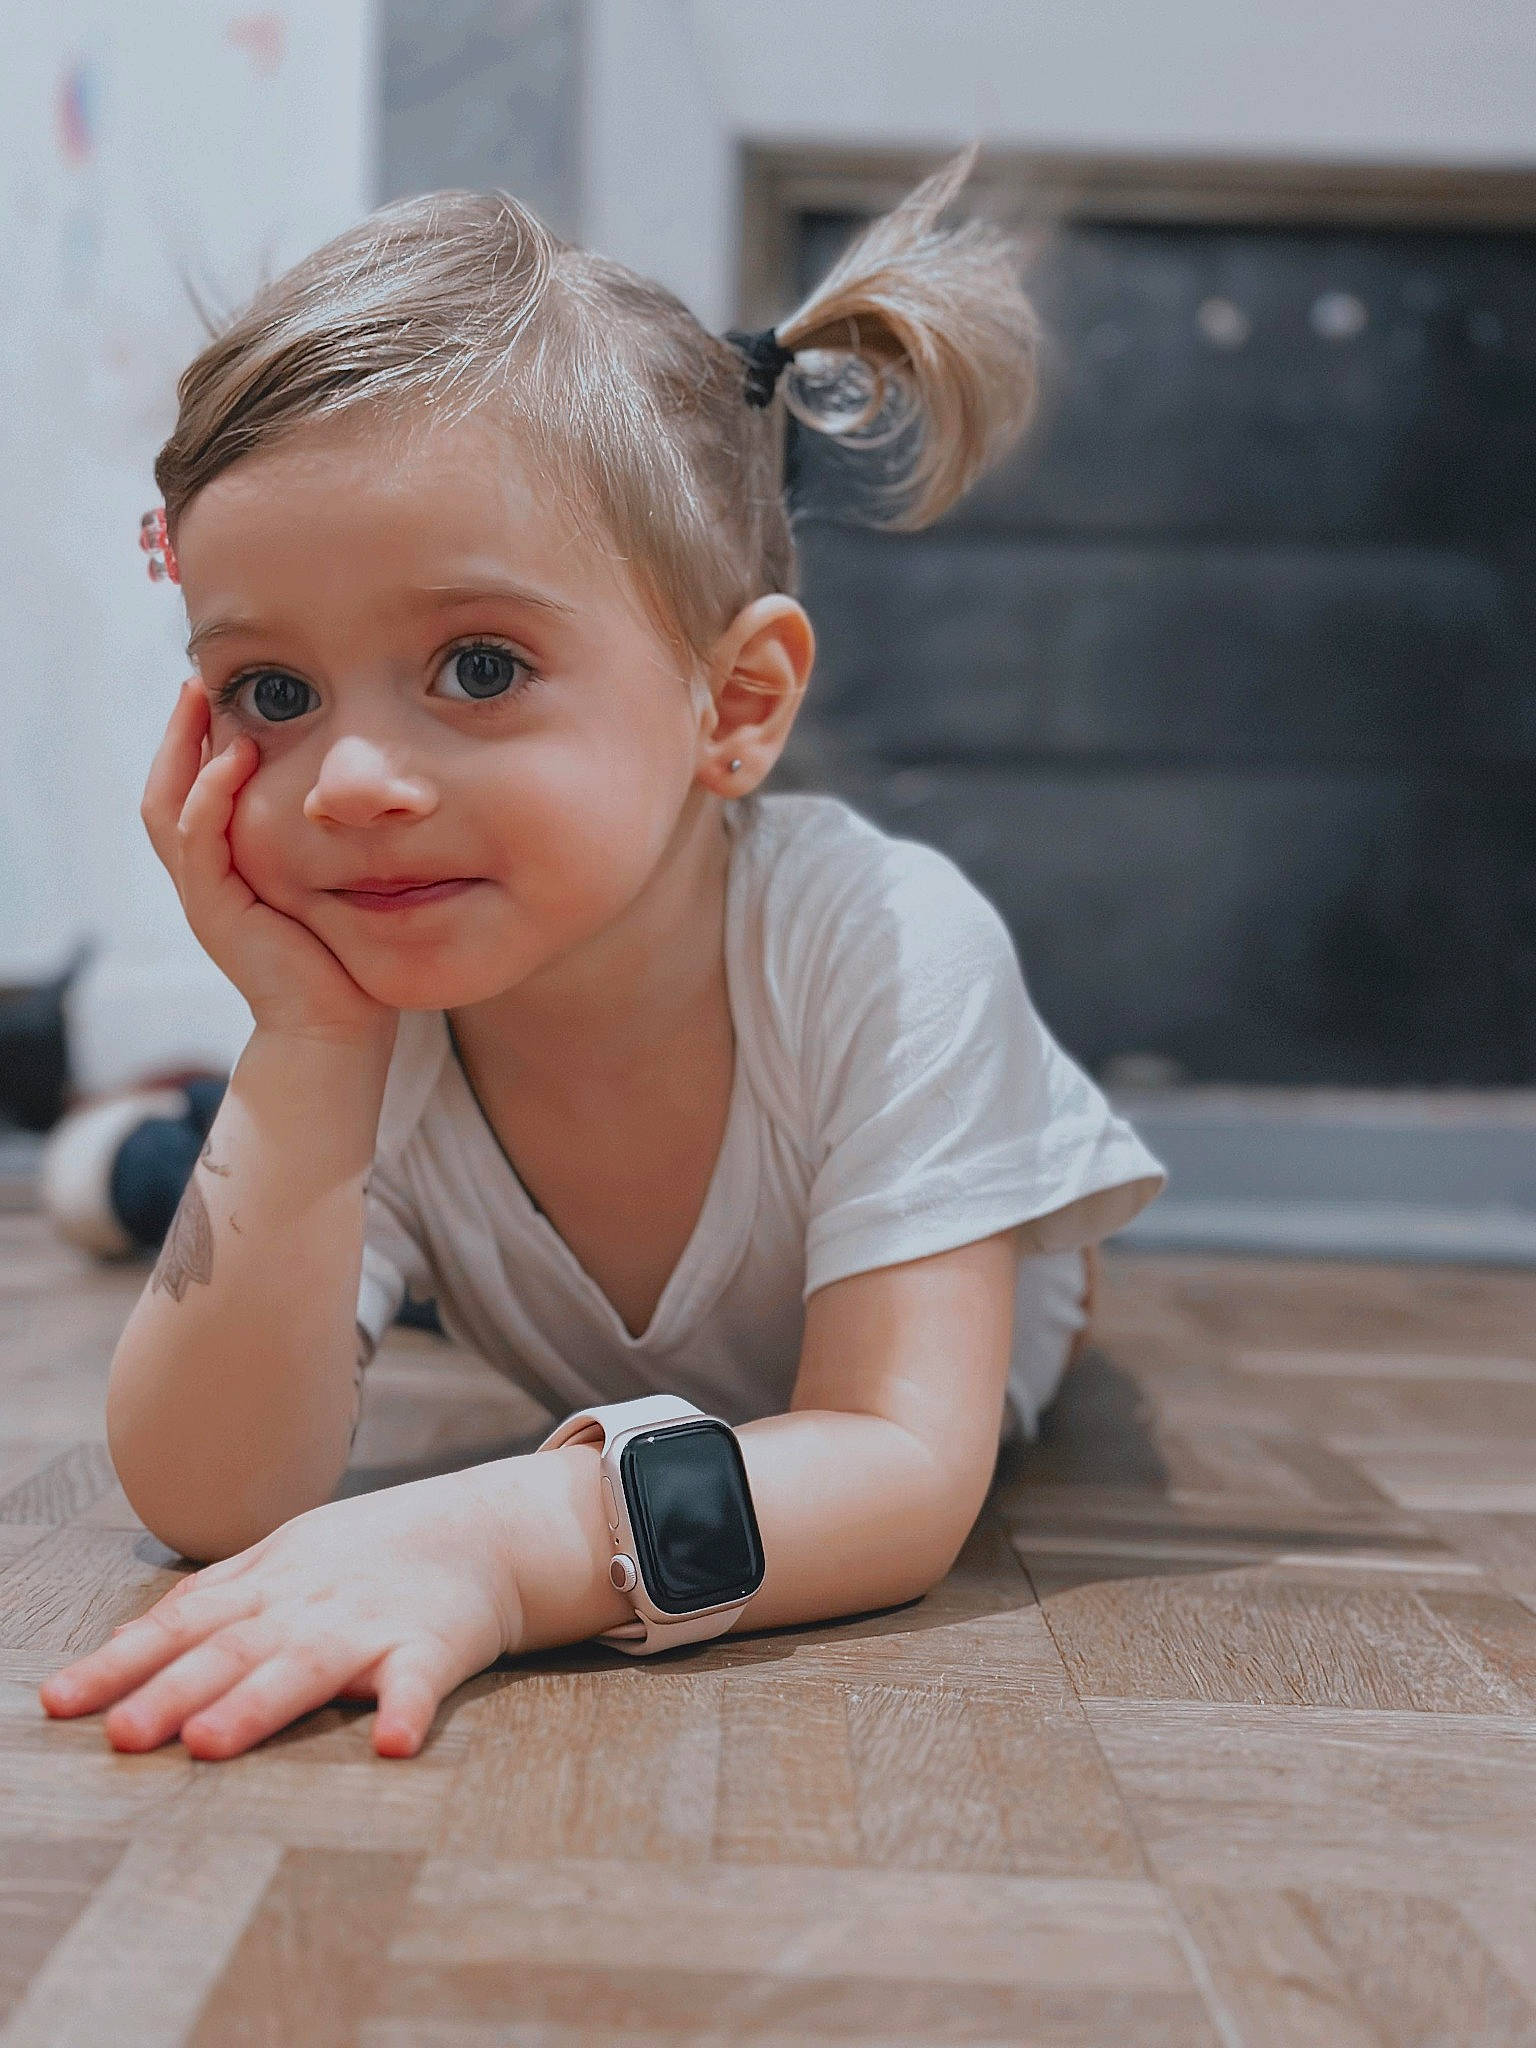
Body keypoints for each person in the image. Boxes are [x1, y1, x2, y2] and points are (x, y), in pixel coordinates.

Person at [39, 153, 1163, 1762]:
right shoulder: (385, 998)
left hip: (872, 1270)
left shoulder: (889, 948)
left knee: (363, 1249)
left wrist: (496, 1543)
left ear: (738, 704)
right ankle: (172, 1156)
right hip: (564, 1312)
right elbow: (213, 1502)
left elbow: (898, 1469)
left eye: (477, 665)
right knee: (321, 1205)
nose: (351, 781)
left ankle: (155, 1163)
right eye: (271, 694)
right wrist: (303, 1044)